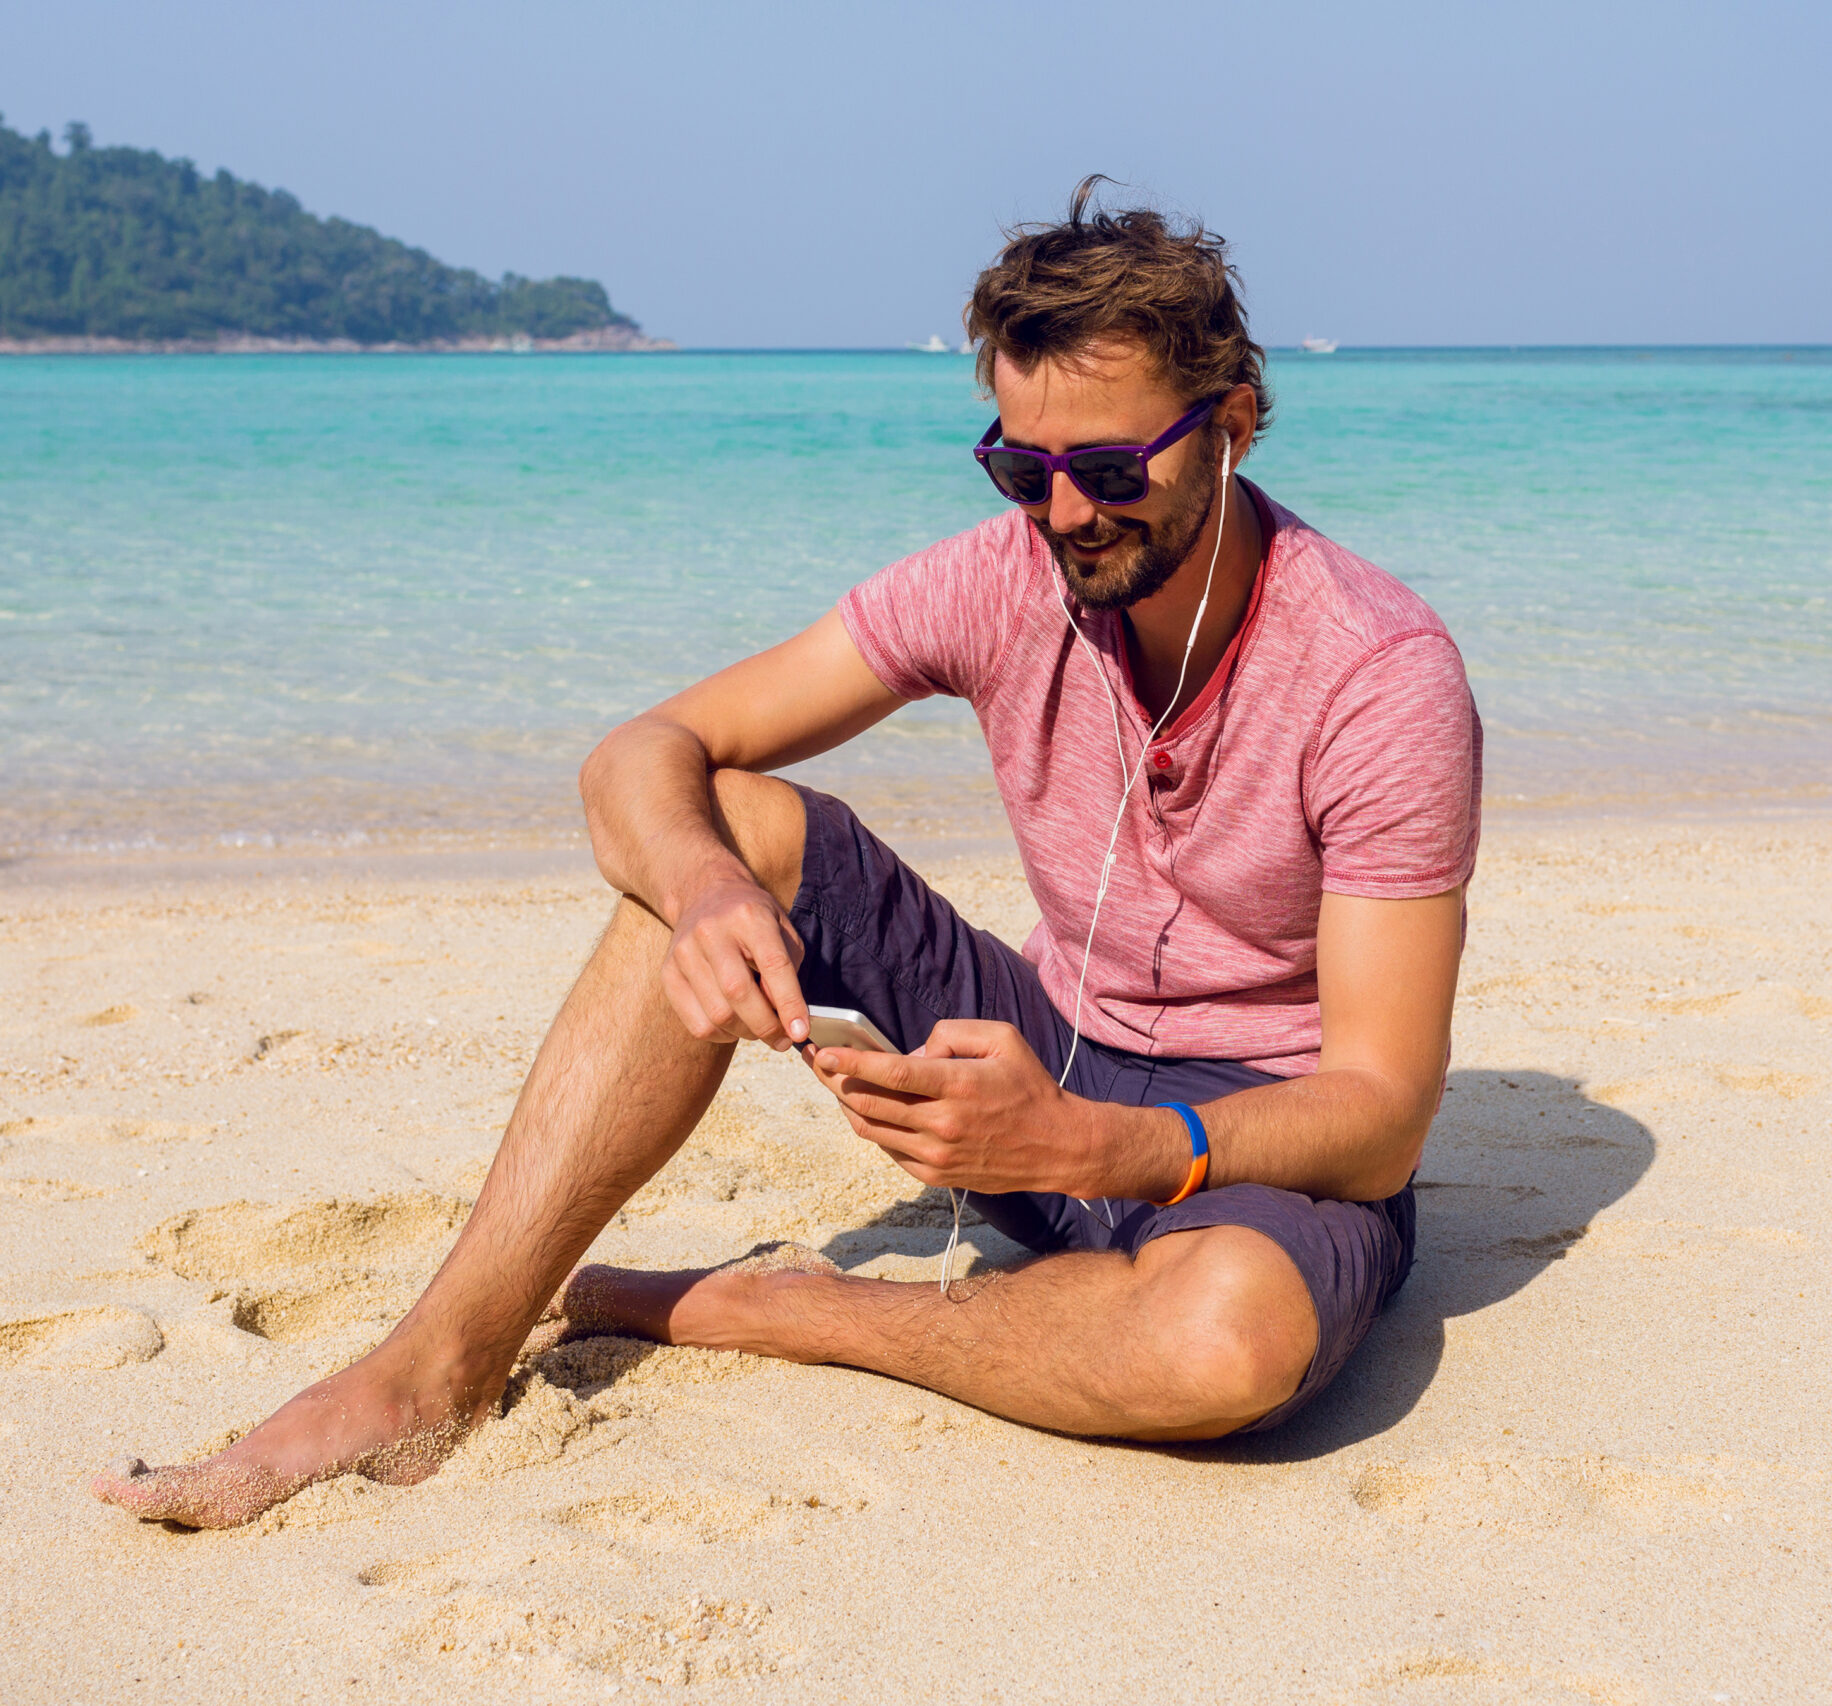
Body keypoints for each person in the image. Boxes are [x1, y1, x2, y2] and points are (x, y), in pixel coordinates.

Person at [94, 180, 1482, 1530]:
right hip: (1039, 1062)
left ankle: (802, 1309)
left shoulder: (1376, 675)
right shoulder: (1007, 574)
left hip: (1250, 1148)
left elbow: (1382, 1110)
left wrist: (1104, 1146)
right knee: (732, 822)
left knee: (1222, 1343)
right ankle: (437, 1361)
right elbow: (641, 753)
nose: (1064, 516)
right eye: (1023, 468)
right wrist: (702, 895)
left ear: (1233, 422)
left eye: (1113, 470)